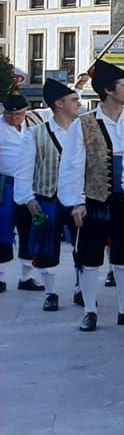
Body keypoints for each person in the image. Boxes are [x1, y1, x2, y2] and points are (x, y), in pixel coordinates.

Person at [72, 59, 124, 332]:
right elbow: (74, 165)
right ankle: (90, 310)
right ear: (109, 91)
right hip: (95, 200)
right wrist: (77, 201)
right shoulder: (85, 124)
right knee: (89, 257)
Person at [14, 78, 83, 312]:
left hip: (77, 199)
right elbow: (24, 168)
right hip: (47, 198)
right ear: (59, 104)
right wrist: (28, 198)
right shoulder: (36, 134)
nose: (79, 104)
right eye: (74, 100)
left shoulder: (84, 130)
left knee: (81, 246)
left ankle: (81, 288)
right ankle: (51, 292)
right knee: (46, 247)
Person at [0, 90, 36, 294]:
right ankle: (1, 276)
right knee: (2, 227)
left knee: (29, 227)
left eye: (18, 115)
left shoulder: (34, 123)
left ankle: (26, 276)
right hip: (4, 183)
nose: (14, 119)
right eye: (9, 115)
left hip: (29, 183)